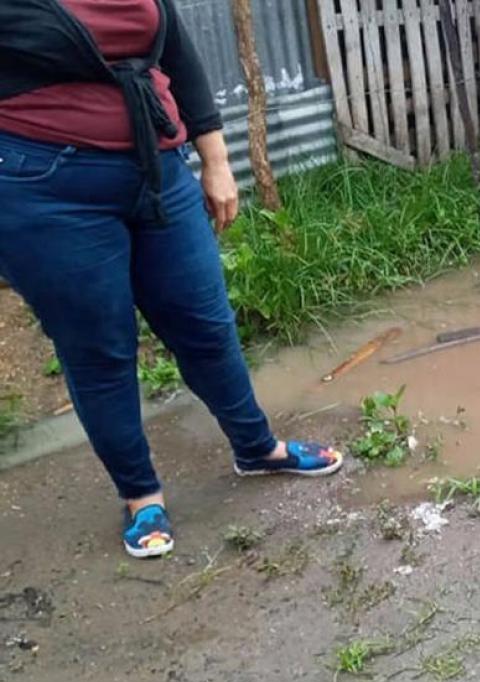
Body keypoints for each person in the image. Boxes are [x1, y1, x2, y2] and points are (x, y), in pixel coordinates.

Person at [0, 1, 343, 559]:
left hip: (159, 170)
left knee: (206, 322)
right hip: (45, 190)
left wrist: (216, 160)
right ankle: (141, 495)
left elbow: (178, 54)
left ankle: (257, 448)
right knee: (100, 349)